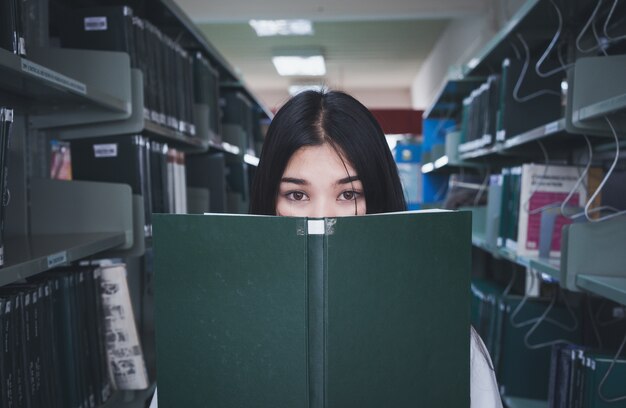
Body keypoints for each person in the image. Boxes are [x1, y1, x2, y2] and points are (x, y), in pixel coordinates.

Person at [250, 89, 503, 408]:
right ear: (268, 202)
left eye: (348, 194)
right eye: (297, 195)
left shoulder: (446, 338)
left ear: (378, 201)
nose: (321, 218)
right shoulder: (223, 327)